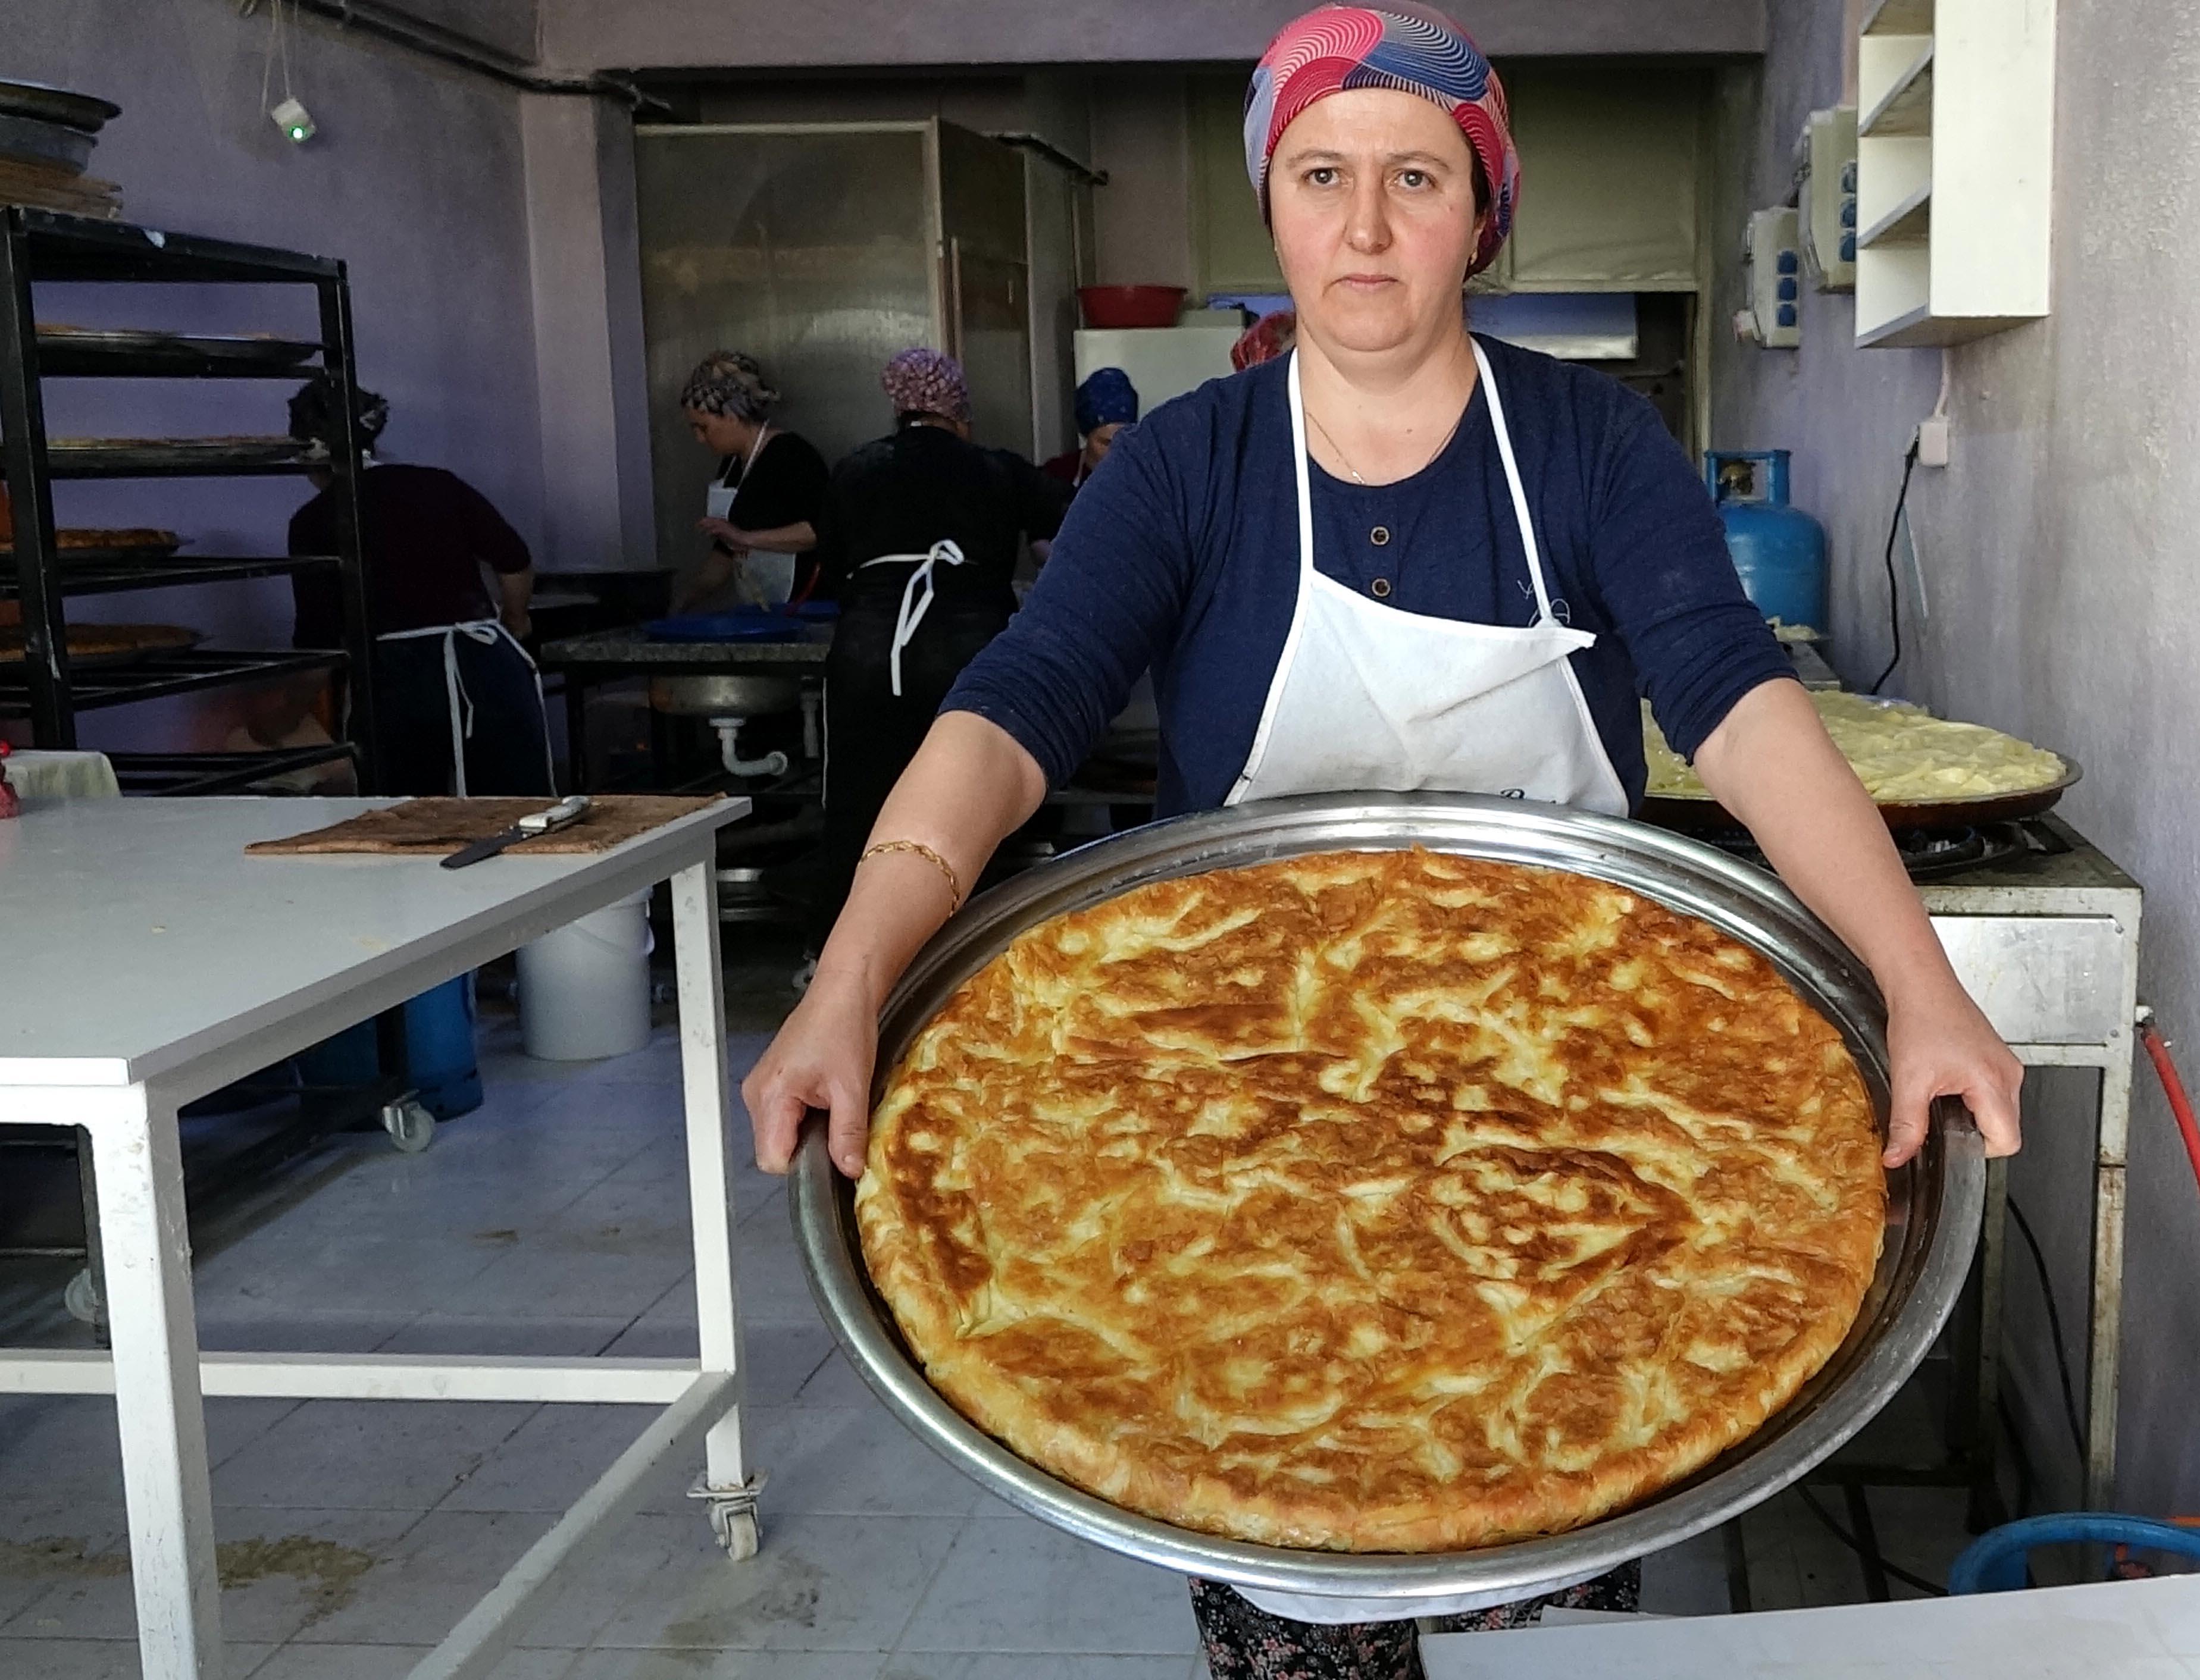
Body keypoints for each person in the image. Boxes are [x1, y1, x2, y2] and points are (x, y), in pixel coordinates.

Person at [746, 5, 2024, 1672]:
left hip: (1590, 1099)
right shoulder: (1190, 467)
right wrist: (850, 979)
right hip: (1242, 1121)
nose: (1363, 227)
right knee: (1267, 1532)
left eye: (1416, 177)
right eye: (1321, 173)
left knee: (1559, 1536)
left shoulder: (1589, 448)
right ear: (1272, 203)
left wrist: (1915, 983)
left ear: (1484, 214)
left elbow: (1734, 700)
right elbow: (1014, 711)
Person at [806, 347, 1069, 943]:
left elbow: (832, 560)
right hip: (971, 651)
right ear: (961, 414)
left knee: (860, 802)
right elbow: (1064, 535)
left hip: (872, 653)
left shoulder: (855, 468)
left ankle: (840, 952)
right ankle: (980, 949)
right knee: (978, 797)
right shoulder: (997, 469)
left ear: (900, 411)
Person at [278, 376, 550, 798]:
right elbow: (514, 562)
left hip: (400, 688)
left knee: (407, 825)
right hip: (488, 670)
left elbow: (318, 646)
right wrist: (515, 621)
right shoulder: (438, 484)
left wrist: (284, 720)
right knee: (512, 816)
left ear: (305, 454)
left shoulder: (315, 521)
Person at [675, 350, 829, 610]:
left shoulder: (792, 455)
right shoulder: (732, 465)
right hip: (762, 608)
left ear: (732, 417)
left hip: (808, 606)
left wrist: (745, 538)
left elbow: (820, 531)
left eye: (704, 428)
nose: (700, 439)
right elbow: (726, 551)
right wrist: (688, 599)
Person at [1041, 365, 1140, 490]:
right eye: (1105, 443)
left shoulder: (1145, 479)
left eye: (1124, 442)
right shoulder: (1057, 474)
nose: (1116, 452)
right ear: (1087, 435)